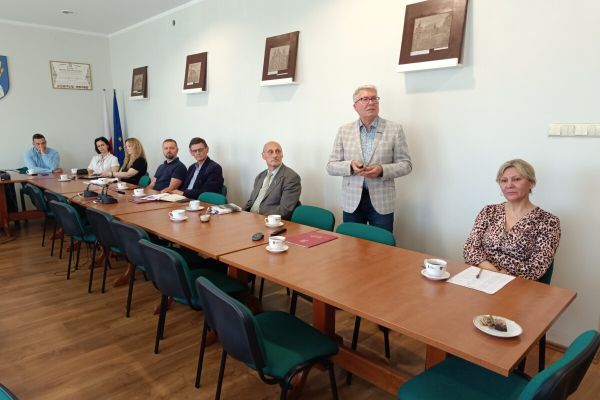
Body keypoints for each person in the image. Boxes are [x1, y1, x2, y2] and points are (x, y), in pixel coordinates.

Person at [326, 84, 412, 232]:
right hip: (352, 200)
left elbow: (406, 164)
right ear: (355, 106)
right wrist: (350, 165)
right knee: (351, 244)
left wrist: (382, 170)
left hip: (382, 201)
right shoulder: (344, 131)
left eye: (374, 98)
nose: (371, 102)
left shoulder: (394, 129)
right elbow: (331, 166)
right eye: (365, 99)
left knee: (381, 244)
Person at [463, 159, 561, 280]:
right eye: (504, 180)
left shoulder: (548, 222)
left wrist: (503, 276)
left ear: (531, 183)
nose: (509, 185)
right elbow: (470, 248)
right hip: (481, 277)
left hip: (518, 285)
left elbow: (536, 268)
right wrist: (494, 272)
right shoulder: (489, 211)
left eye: (516, 179)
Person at [244, 141, 301, 220]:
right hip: (251, 219)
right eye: (270, 152)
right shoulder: (260, 176)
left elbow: (285, 210)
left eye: (278, 151)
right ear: (263, 156)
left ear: (282, 155)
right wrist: (240, 213)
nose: (275, 155)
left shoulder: (291, 177)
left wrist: (260, 219)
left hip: (270, 222)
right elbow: (251, 202)